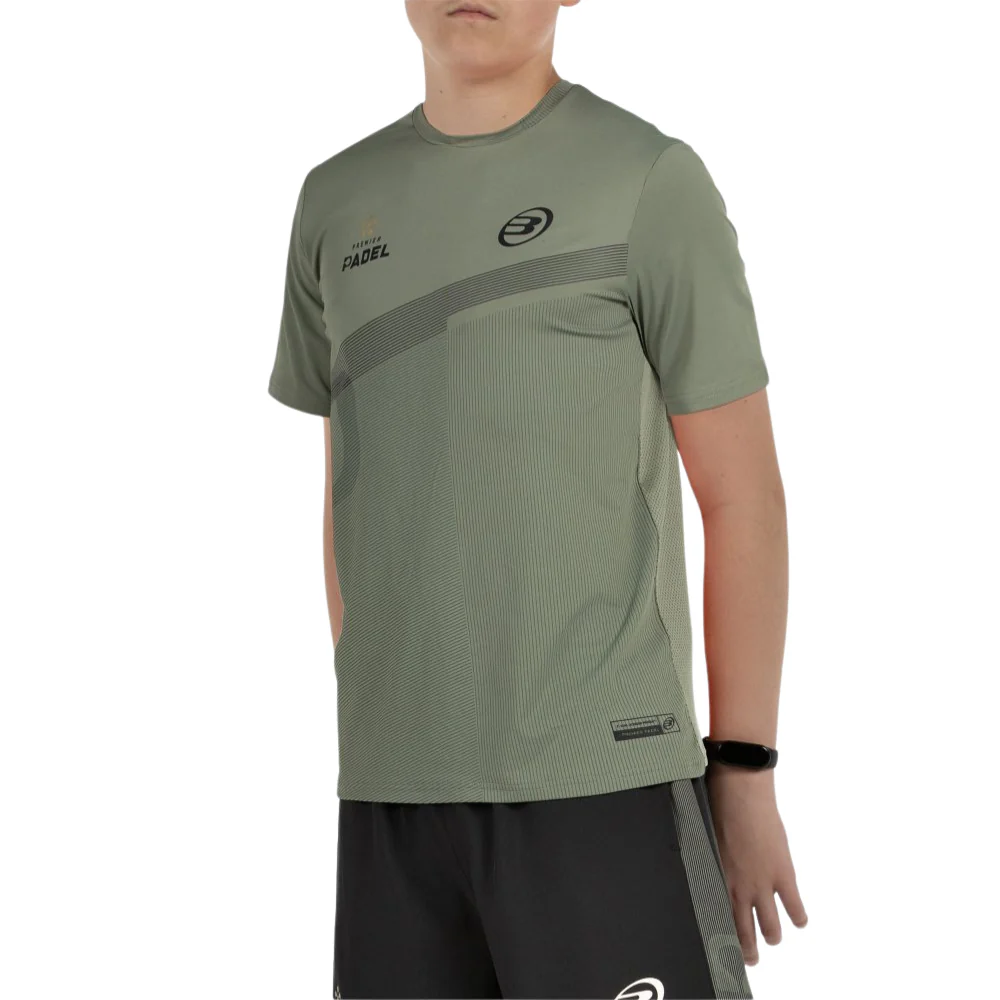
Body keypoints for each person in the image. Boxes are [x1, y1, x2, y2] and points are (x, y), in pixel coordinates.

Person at [267, 1, 807, 996]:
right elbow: (351, 493)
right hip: (392, 801)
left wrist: (743, 770)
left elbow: (743, 499)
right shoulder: (335, 201)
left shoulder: (646, 181)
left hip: (602, 783)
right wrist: (386, 723)